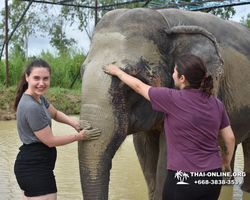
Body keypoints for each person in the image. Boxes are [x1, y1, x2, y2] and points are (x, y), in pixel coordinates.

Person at [103, 54, 235, 200]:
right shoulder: (217, 104)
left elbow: (139, 87)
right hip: (213, 176)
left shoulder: (172, 99)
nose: (173, 75)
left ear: (182, 78)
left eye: (174, 71)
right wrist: (225, 163)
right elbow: (230, 138)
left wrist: (117, 72)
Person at [13, 59, 101, 200]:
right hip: (35, 169)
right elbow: (50, 141)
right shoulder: (32, 107)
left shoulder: (38, 99)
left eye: (45, 78)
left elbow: (55, 113)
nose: (41, 83)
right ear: (27, 77)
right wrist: (80, 136)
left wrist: (75, 124)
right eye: (36, 78)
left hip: (34, 167)